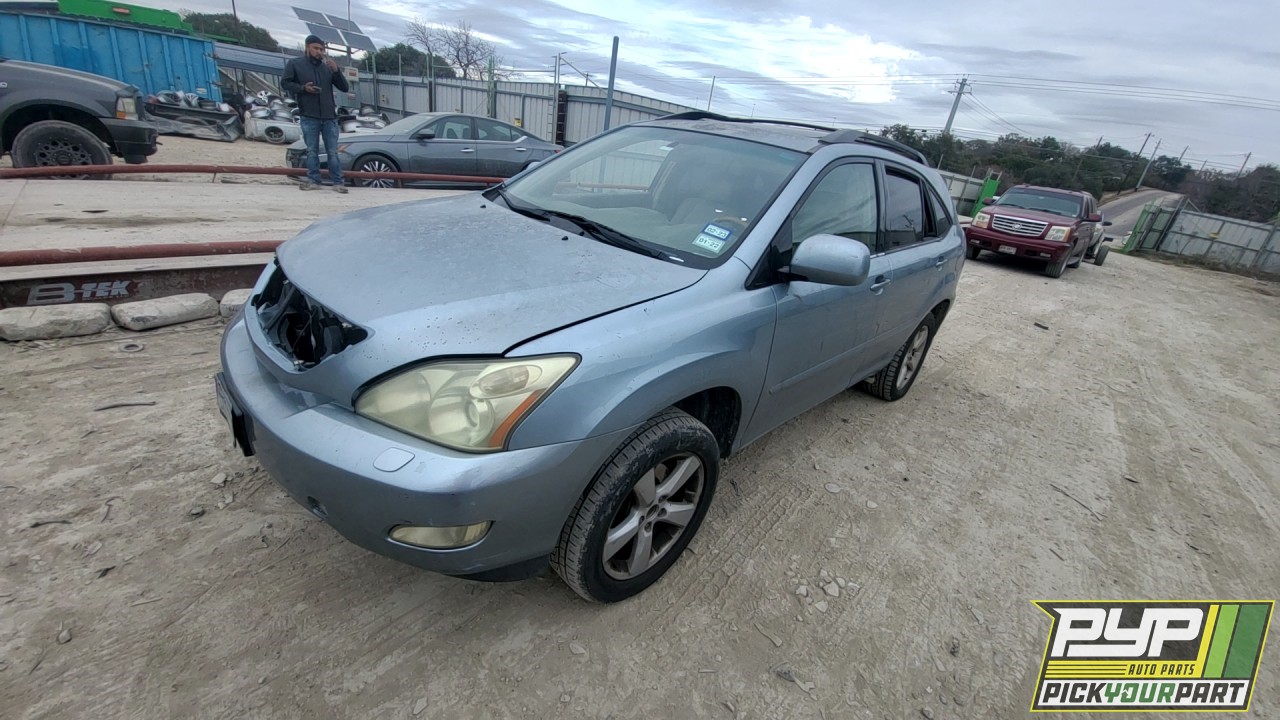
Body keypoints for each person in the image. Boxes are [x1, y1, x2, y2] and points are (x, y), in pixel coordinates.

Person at [282, 36, 351, 193]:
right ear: (307, 48)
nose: (319, 52)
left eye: (321, 49)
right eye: (316, 48)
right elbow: (285, 83)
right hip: (309, 114)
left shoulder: (327, 67)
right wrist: (303, 88)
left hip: (329, 117)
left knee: (332, 151)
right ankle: (314, 180)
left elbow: (344, 88)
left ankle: (338, 182)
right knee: (312, 150)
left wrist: (337, 71)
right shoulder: (295, 64)